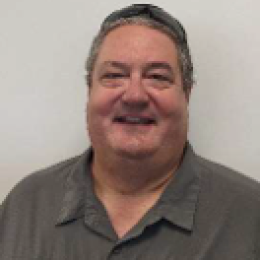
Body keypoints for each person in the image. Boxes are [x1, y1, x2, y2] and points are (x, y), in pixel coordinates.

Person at [1, 4, 260, 259]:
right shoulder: (25, 207)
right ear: (90, 90)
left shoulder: (250, 218)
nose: (135, 95)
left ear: (186, 95)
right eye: (115, 75)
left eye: (157, 77)